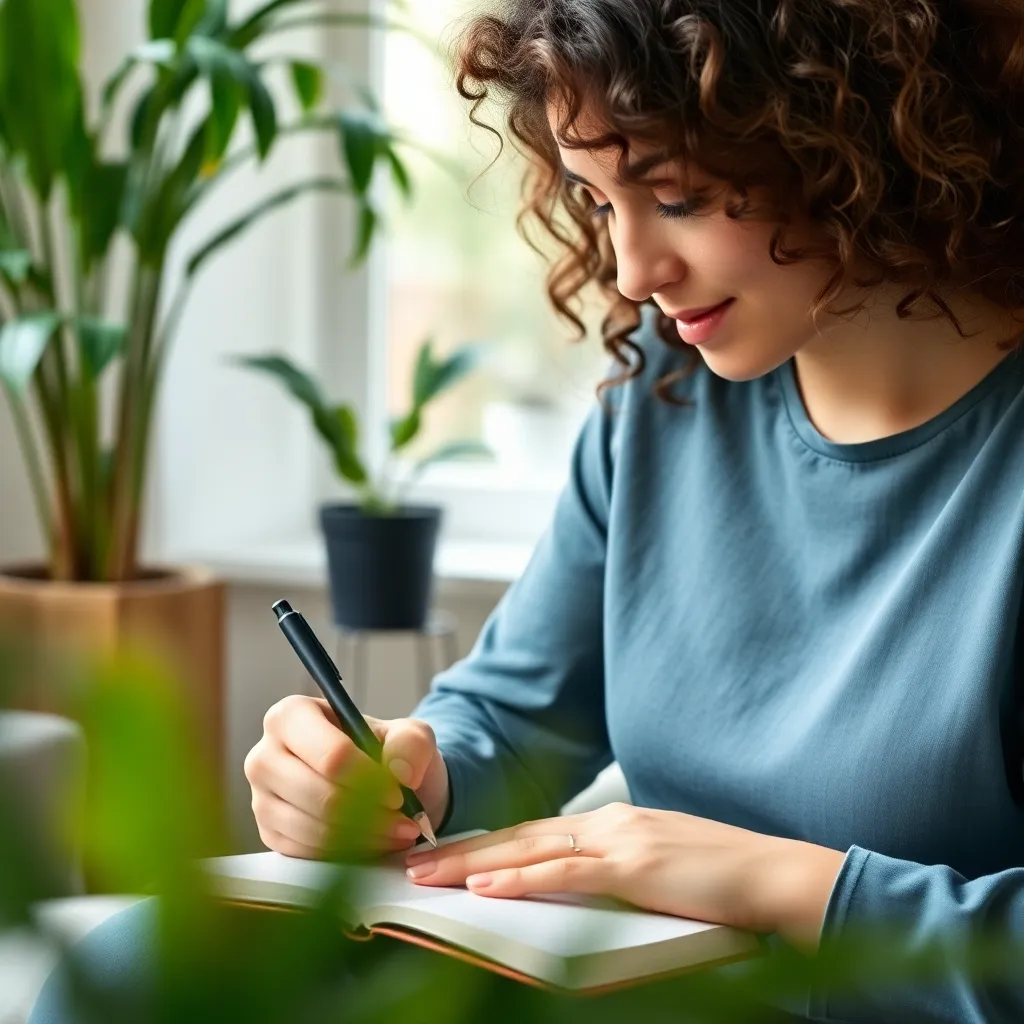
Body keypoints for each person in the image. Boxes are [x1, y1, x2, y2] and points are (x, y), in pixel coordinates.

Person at [28, 1, 1024, 1022]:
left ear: (849, 143)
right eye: (598, 204)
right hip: (631, 994)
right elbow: (511, 715)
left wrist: (785, 884)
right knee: (138, 970)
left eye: (676, 196)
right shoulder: (662, 397)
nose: (635, 273)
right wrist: (405, 767)